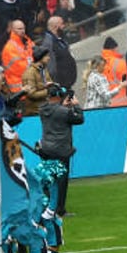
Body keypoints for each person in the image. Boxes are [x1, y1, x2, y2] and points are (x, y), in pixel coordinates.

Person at [38, 83, 85, 215]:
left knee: (48, 179)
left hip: (46, 148)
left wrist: (63, 106)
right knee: (61, 181)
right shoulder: (64, 111)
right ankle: (59, 209)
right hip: (61, 149)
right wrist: (76, 106)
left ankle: (46, 208)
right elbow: (79, 119)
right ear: (59, 96)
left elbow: (54, 112)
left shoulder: (42, 110)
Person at [0, 19, 33, 94]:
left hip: (29, 85)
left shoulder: (28, 42)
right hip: (17, 88)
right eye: (19, 29)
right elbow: (18, 68)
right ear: (12, 30)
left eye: (23, 28)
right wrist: (33, 67)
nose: (22, 31)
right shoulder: (10, 47)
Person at [21, 45, 52, 116]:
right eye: (46, 56)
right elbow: (31, 94)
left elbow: (49, 84)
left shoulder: (44, 70)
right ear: (40, 57)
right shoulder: (30, 73)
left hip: (45, 109)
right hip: (35, 112)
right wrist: (48, 91)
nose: (49, 58)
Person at [100, 36, 127, 107]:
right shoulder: (121, 63)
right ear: (114, 48)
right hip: (121, 101)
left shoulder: (98, 63)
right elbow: (125, 81)